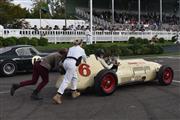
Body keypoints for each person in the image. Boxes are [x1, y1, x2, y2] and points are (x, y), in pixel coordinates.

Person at [52, 39, 87, 104]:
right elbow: (85, 59)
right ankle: (58, 96)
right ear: (81, 43)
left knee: (74, 77)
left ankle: (74, 92)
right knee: (66, 80)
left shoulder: (70, 48)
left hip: (66, 62)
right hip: (72, 63)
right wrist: (86, 60)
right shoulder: (82, 50)